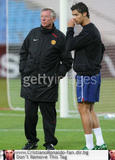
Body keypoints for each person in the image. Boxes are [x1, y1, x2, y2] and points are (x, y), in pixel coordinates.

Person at [19, 8, 72, 150]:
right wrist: (23, 70)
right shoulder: (33, 33)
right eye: (42, 17)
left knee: (48, 116)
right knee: (30, 116)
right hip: (30, 82)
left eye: (46, 17)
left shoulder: (59, 37)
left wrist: (57, 76)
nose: (43, 19)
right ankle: (31, 141)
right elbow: (23, 52)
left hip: (48, 84)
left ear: (53, 19)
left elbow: (67, 61)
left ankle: (49, 143)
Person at [66, 2, 107, 150]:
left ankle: (89, 146)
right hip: (93, 74)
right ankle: (100, 143)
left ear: (84, 13)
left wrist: (69, 28)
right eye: (73, 15)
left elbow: (69, 45)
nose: (74, 18)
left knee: (83, 109)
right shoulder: (92, 30)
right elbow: (102, 48)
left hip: (86, 75)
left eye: (76, 15)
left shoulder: (88, 32)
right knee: (89, 110)